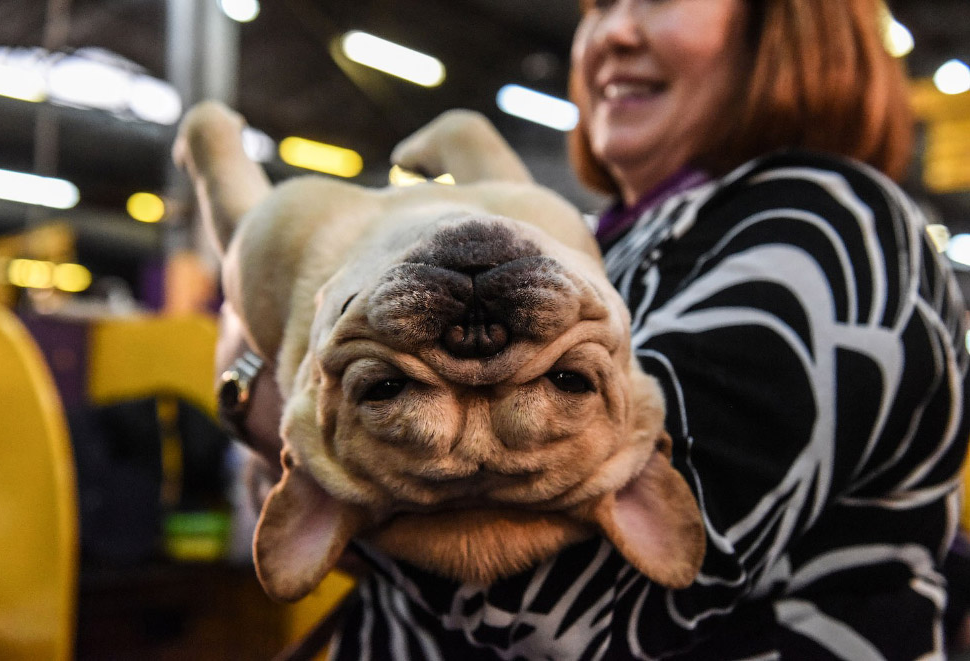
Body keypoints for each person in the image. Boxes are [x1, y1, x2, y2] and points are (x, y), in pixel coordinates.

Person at [216, 0, 970, 657]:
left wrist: (265, 387)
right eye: (601, 2)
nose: (612, 34)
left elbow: (591, 605)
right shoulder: (616, 240)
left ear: (787, 22)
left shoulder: (823, 224)